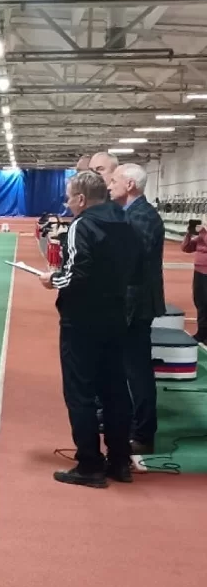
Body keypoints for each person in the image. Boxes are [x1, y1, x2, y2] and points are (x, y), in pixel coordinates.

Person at [39, 171, 139, 488]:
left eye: (69, 197)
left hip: (82, 319)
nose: (67, 203)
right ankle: (120, 461)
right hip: (116, 316)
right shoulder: (125, 221)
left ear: (81, 198)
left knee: (80, 392)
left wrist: (52, 280)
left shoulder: (81, 225)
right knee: (115, 390)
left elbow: (77, 273)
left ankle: (90, 464)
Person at [109, 163, 166, 455]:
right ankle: (131, 424)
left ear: (130, 184)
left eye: (114, 180)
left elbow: (132, 261)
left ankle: (143, 434)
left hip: (136, 305)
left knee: (138, 371)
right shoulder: (131, 213)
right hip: (130, 302)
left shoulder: (141, 215)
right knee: (128, 368)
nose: (109, 185)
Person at [182, 214, 207, 343]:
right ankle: (202, 331)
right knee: (200, 302)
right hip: (199, 272)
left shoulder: (203, 235)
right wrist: (188, 234)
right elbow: (186, 248)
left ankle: (204, 332)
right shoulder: (200, 237)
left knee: (205, 303)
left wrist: (203, 232)